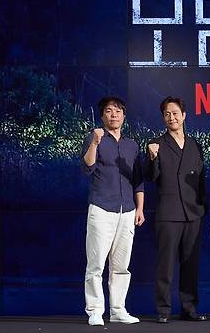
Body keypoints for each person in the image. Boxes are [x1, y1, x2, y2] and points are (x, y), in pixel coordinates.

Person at [81, 96, 145, 326]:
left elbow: (138, 179)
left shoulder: (132, 145)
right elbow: (87, 167)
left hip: (127, 210)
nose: (114, 115)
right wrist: (95, 143)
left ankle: (118, 310)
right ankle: (95, 311)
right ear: (102, 116)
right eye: (109, 111)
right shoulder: (95, 138)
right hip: (101, 207)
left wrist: (140, 208)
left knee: (121, 266)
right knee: (96, 265)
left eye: (118, 111)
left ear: (124, 116)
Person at [144, 96, 207, 323]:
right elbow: (151, 177)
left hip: (193, 213)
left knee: (191, 264)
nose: (172, 117)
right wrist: (151, 158)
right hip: (168, 212)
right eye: (167, 114)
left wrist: (202, 207)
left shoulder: (194, 144)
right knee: (166, 264)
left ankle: (189, 309)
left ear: (184, 115)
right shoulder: (156, 144)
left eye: (175, 113)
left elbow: (201, 180)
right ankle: (163, 310)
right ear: (163, 118)